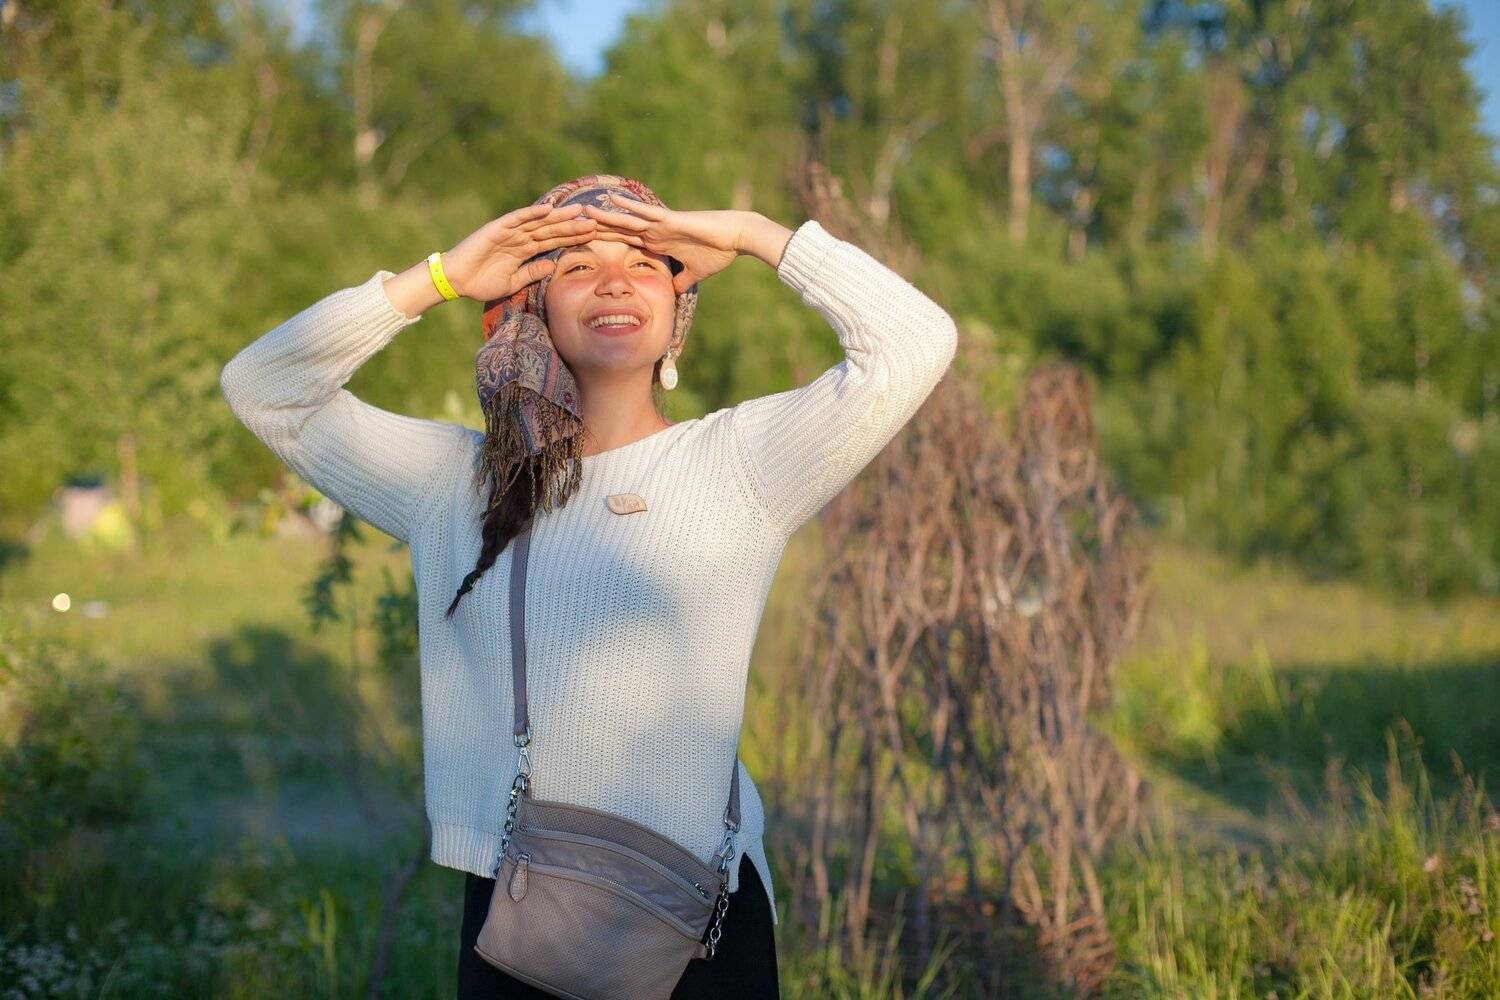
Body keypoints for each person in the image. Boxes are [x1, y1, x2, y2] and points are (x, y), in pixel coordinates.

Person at [219, 174, 958, 998]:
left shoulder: (742, 462)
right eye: (576, 266)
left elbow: (914, 342)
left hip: (693, 914)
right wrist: (441, 278)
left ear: (678, 308)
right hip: (521, 910)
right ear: (532, 311)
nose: (614, 281)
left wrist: (753, 233)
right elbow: (265, 389)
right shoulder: (453, 483)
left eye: (645, 262)